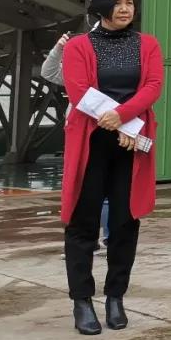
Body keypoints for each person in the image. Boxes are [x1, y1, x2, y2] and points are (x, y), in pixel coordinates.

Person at [60, 0, 164, 335]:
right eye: (117, 2)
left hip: (130, 146)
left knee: (124, 221)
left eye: (129, 2)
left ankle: (115, 296)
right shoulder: (77, 46)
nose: (125, 8)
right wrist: (120, 122)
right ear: (101, 5)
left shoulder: (147, 44)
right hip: (91, 144)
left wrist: (124, 119)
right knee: (82, 222)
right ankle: (81, 300)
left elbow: (152, 86)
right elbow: (79, 92)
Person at [43, 31, 109, 251]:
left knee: (106, 189)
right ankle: (86, 240)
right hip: (79, 133)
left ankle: (107, 238)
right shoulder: (75, 70)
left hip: (106, 130)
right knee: (80, 188)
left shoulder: (110, 69)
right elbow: (48, 71)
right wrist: (58, 49)